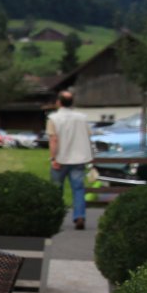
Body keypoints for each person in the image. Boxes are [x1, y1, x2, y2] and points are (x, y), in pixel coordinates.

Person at [46, 89, 94, 230]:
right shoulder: (82, 118)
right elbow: (88, 135)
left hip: (60, 159)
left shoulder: (53, 118)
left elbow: (53, 139)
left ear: (58, 102)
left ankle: (55, 217)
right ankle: (79, 216)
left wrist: (53, 158)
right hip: (78, 158)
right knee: (78, 189)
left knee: (56, 189)